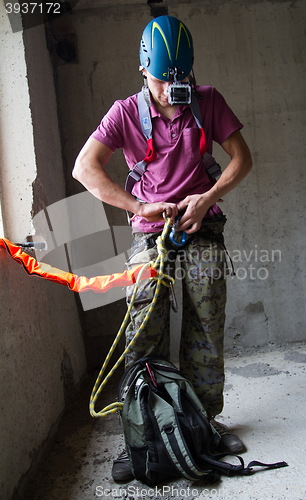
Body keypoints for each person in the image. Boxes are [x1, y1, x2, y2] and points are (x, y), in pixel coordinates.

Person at [73, 15, 252, 482]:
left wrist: (207, 198)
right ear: (143, 69)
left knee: (207, 326)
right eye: (162, 78)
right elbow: (85, 169)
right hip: (150, 234)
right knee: (143, 330)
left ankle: (205, 425)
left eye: (181, 78)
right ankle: (142, 434)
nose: (174, 87)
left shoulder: (208, 101)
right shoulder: (124, 113)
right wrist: (139, 205)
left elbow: (243, 158)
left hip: (203, 228)